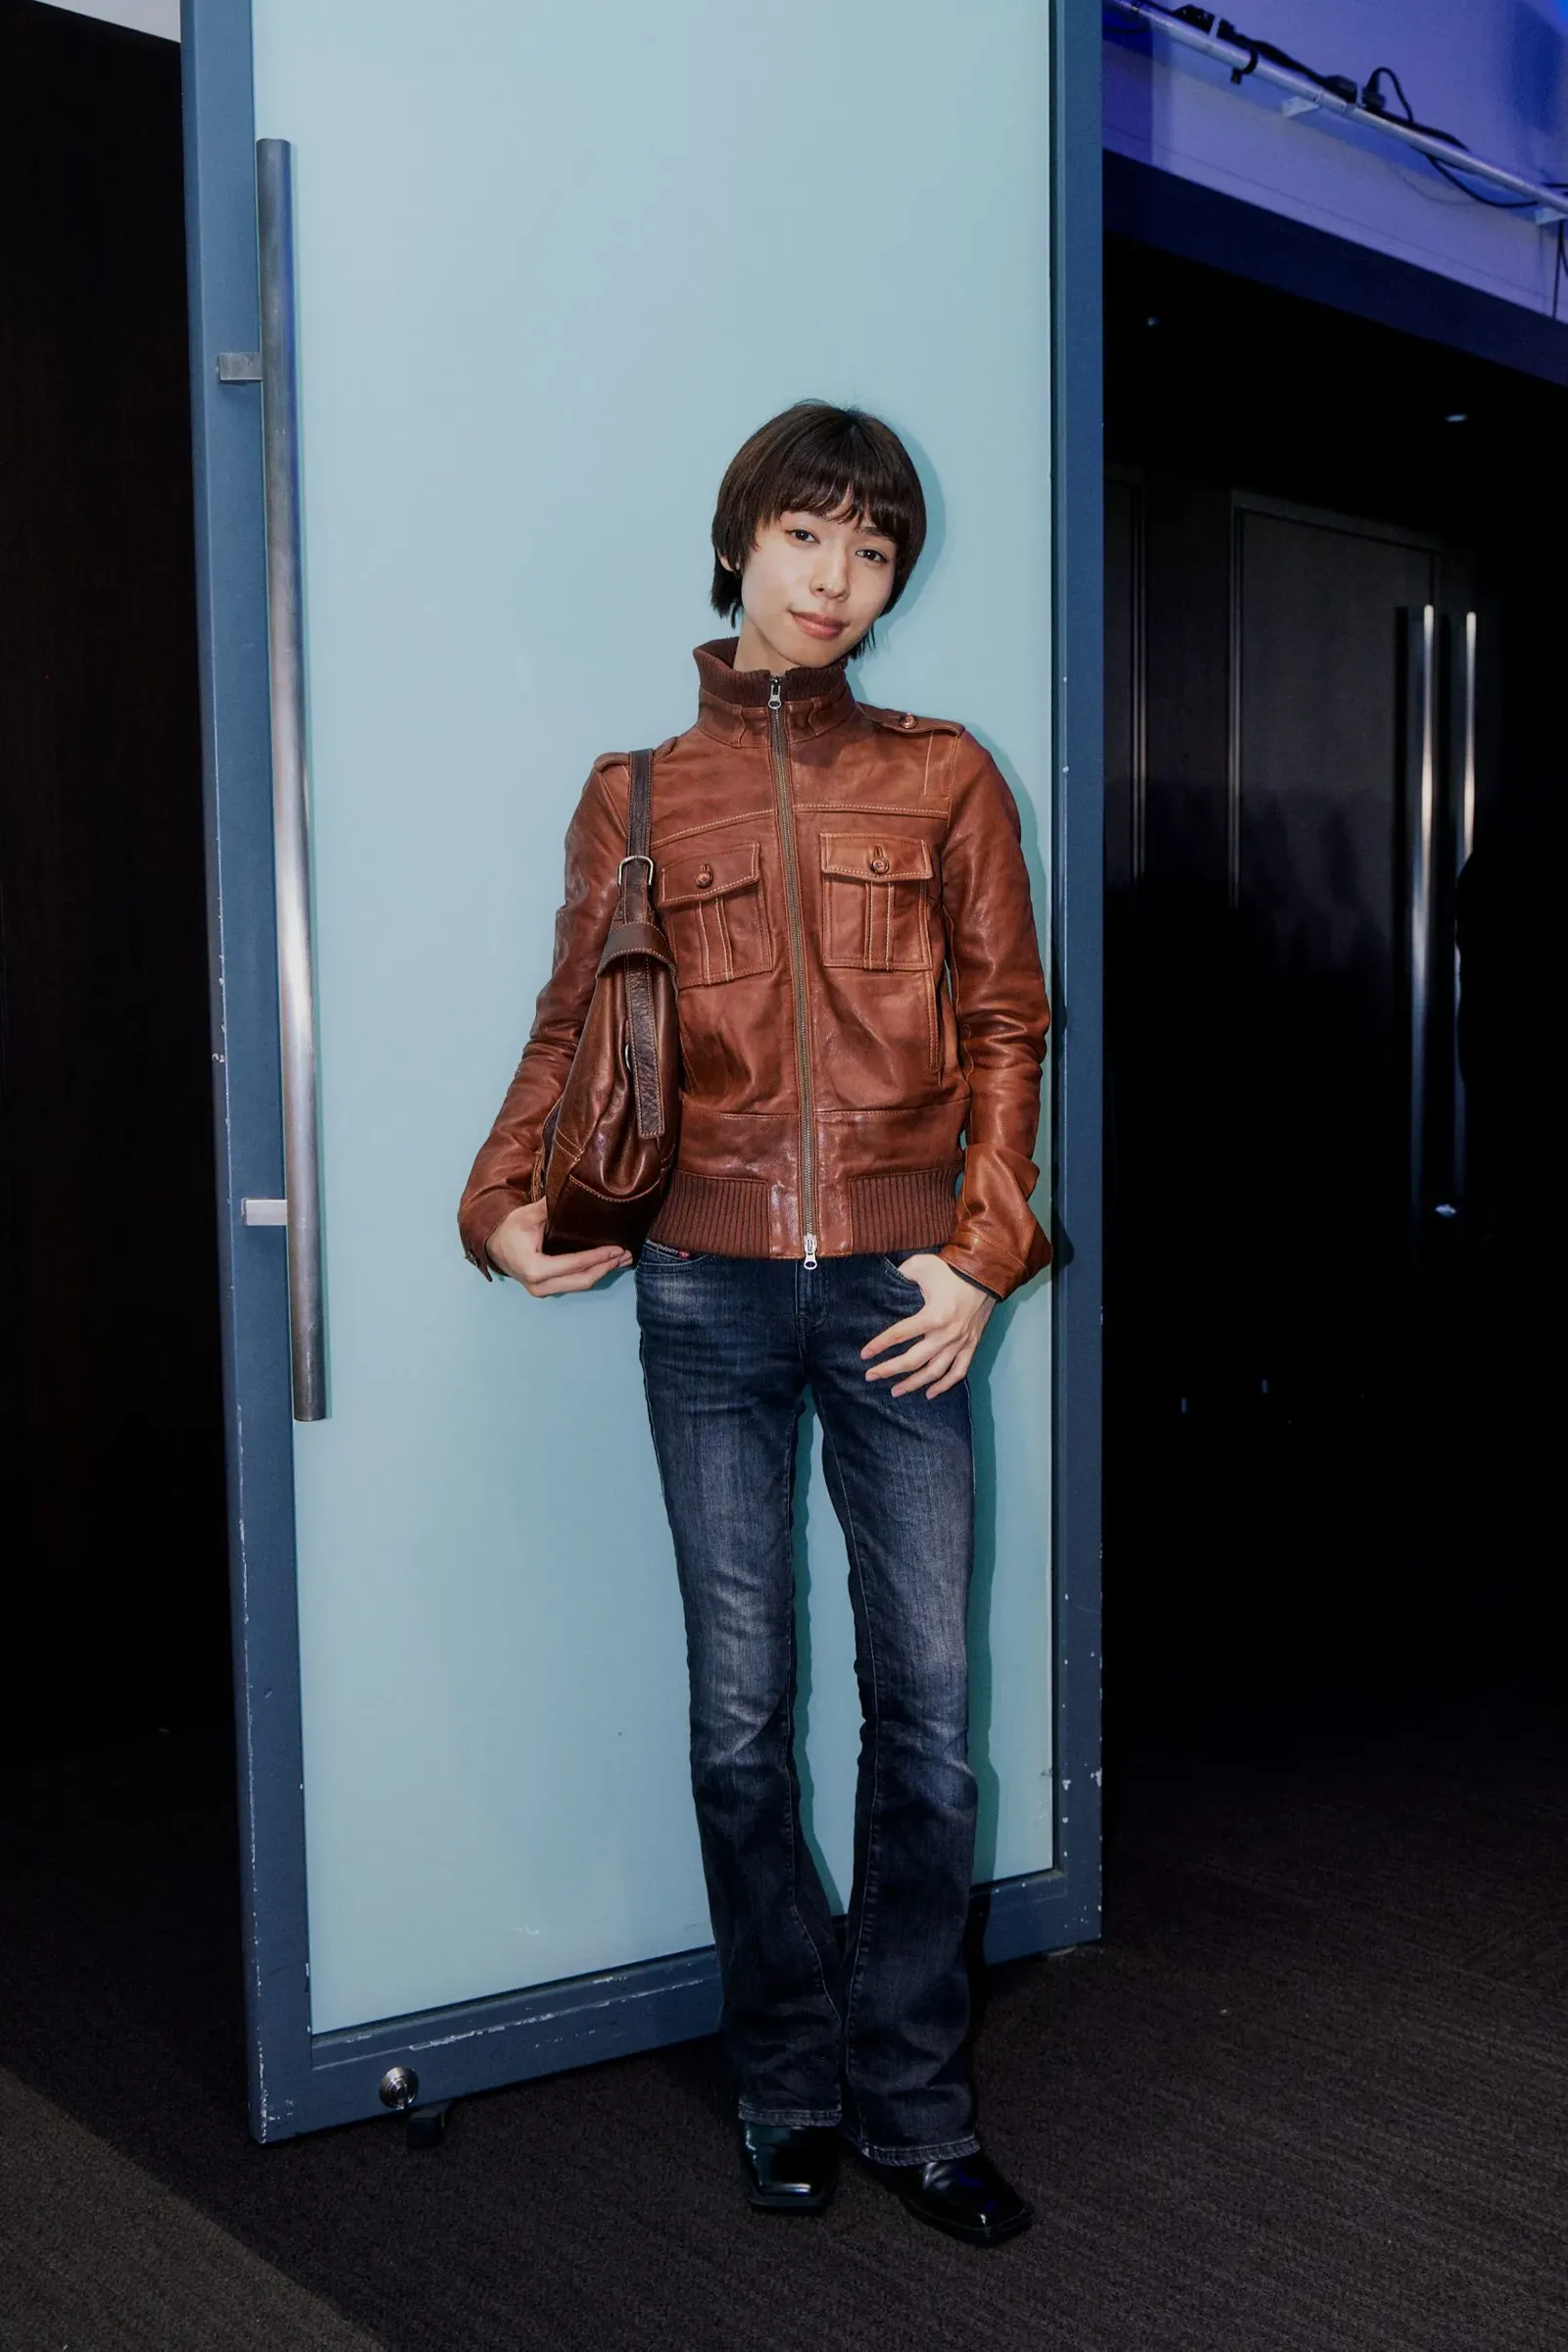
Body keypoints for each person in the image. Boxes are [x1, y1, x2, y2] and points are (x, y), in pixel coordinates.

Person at [459, 402, 1051, 2246]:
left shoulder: (947, 779)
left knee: (927, 1722)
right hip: (704, 1288)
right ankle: (787, 2080)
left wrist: (984, 1256)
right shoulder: (636, 794)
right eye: (808, 535)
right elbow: (573, 1024)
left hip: (899, 1292)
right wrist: (493, 1203)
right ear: (742, 544)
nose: (837, 577)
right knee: (740, 1720)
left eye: (874, 549)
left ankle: (915, 2101)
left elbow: (1008, 1027)